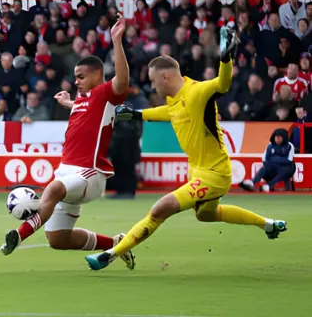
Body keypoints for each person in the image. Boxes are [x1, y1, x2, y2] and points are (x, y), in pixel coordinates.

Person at [85, 27, 288, 271]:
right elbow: (169, 113)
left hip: (214, 173)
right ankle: (268, 224)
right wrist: (137, 114)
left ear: (165, 78)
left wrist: (225, 58)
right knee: (206, 215)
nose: (152, 87)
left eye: (152, 81)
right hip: (198, 171)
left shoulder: (198, 92)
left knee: (161, 208)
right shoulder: (174, 100)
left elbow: (223, 84)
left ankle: (111, 254)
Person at [0, 15, 135, 269]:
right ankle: (117, 243)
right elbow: (85, 107)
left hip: (89, 173)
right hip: (68, 172)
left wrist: (117, 41)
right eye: (75, 76)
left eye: (81, 76)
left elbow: (122, 81)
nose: (76, 81)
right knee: (58, 239)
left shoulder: (104, 94)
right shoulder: (84, 100)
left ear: (97, 75)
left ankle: (19, 235)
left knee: (51, 189)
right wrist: (68, 103)